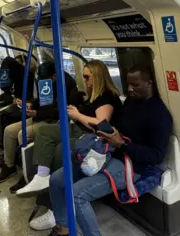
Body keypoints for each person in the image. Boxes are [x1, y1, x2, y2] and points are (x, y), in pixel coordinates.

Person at [46, 66, 172, 235]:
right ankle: (63, 227)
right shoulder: (130, 102)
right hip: (108, 153)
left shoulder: (159, 114)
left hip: (131, 165)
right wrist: (107, 132)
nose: (129, 89)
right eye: (128, 84)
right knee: (56, 180)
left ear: (149, 84)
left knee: (77, 195)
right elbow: (119, 127)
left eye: (135, 85)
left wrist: (122, 144)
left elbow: (156, 156)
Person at [16, 59, 121, 196]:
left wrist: (77, 115)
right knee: (43, 131)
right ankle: (42, 176)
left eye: (87, 76)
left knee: (60, 149)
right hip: (79, 129)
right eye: (83, 76)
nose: (84, 80)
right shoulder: (92, 95)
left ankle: (56, 194)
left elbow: (100, 124)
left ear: (98, 76)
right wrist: (74, 113)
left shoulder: (107, 96)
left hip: (94, 137)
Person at [0, 61, 78, 188]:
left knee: (23, 134)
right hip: (40, 115)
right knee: (9, 130)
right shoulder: (48, 82)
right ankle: (9, 165)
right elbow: (43, 99)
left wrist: (37, 114)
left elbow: (60, 110)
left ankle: (28, 174)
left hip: (54, 120)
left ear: (54, 76)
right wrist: (31, 104)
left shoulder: (67, 85)